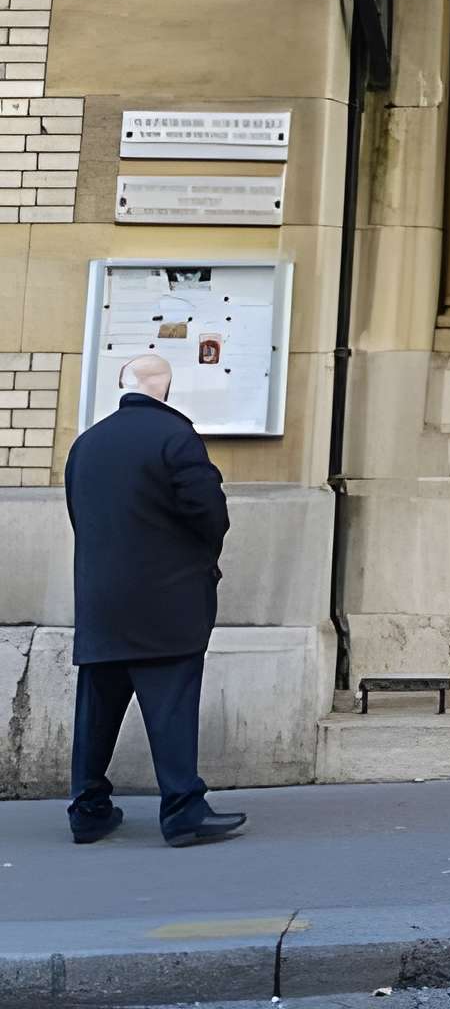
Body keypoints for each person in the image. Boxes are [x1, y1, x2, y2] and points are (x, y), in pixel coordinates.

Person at [63, 353, 246, 848]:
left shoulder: (85, 444)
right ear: (164, 387)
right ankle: (183, 809)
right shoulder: (176, 437)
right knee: (170, 704)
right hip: (167, 599)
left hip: (101, 600)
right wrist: (200, 561)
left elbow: (80, 516)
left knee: (97, 706)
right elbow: (209, 512)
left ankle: (87, 809)